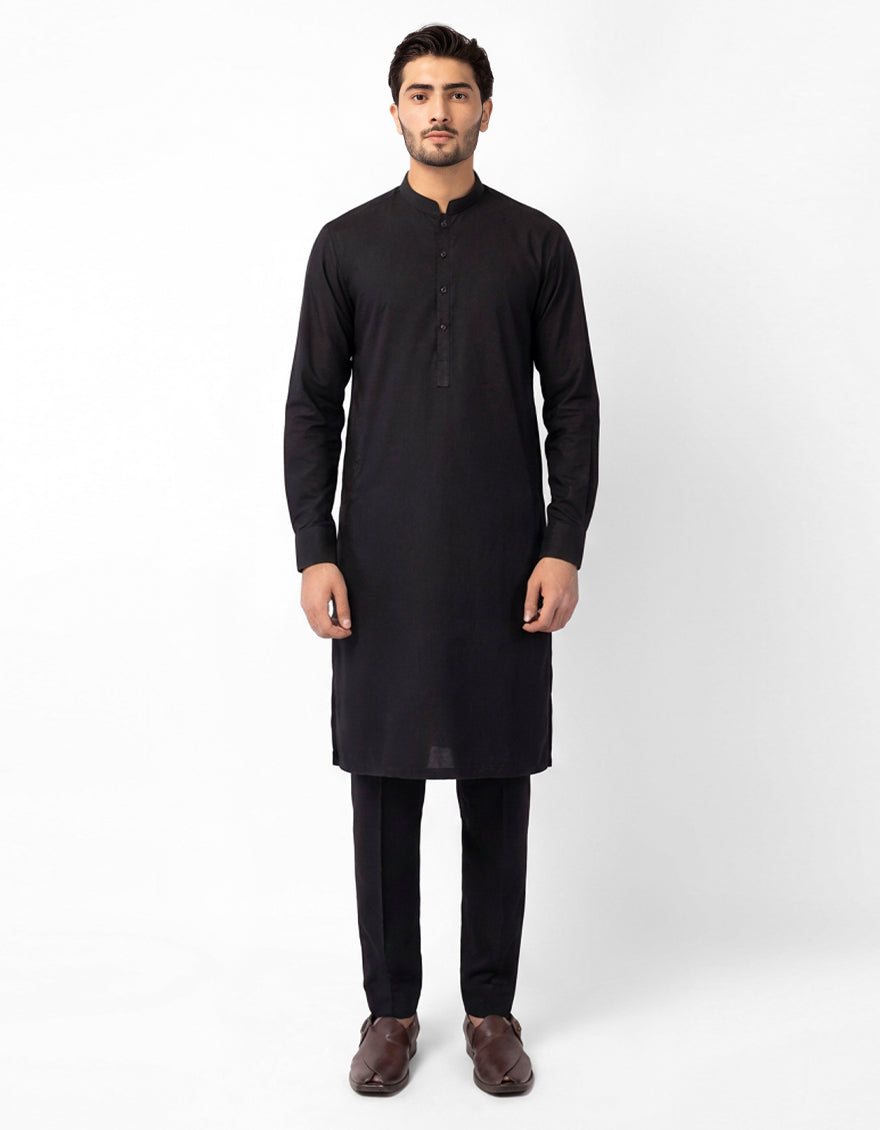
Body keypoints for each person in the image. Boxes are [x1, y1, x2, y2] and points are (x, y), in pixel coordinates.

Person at [283, 24, 599, 1096]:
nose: (438, 110)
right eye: (419, 93)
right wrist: (315, 549)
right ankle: (389, 1012)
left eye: (457, 92)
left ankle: (491, 1011)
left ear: (485, 110)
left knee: (496, 781)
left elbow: (573, 404)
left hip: (505, 561)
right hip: (377, 562)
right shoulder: (346, 245)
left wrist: (562, 543)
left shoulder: (536, 244)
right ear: (394, 111)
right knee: (383, 786)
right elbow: (311, 406)